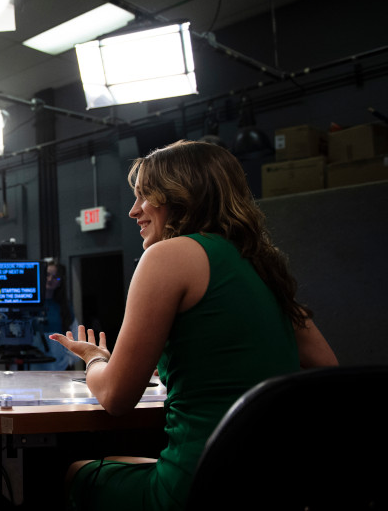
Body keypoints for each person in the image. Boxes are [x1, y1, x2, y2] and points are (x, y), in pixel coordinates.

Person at [50, 140, 338, 511]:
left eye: (144, 197)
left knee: (76, 472)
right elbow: (327, 372)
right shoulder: (263, 264)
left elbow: (116, 397)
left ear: (179, 196)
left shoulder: (167, 256)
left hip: (199, 485)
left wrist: (94, 359)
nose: (133, 210)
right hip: (276, 484)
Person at [28, 261, 79, 370]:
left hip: (58, 369)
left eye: (56, 277)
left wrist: (67, 361)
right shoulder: (26, 305)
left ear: (60, 282)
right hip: (30, 369)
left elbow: (76, 338)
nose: (50, 279)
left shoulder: (65, 307)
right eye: (47, 275)